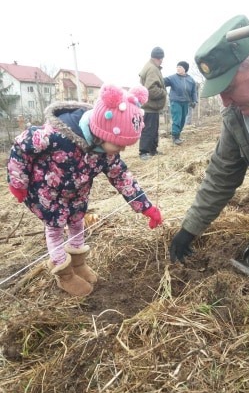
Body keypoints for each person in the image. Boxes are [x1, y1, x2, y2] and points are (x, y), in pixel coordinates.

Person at [170, 15, 249, 315]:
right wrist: (189, 230)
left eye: (229, 88)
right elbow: (221, 174)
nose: (225, 102)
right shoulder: (237, 115)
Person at [7, 84, 163, 297]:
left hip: (77, 195)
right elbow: (20, 147)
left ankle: (79, 265)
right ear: (100, 132)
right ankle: (65, 275)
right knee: (54, 229)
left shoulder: (106, 152)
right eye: (118, 144)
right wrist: (18, 183)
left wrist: (146, 207)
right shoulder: (54, 136)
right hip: (48, 194)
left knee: (78, 223)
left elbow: (122, 177)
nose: (122, 150)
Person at [138, 46, 167, 160]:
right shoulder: (152, 69)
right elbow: (151, 90)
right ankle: (144, 152)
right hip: (149, 106)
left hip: (151, 106)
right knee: (148, 129)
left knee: (153, 129)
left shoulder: (151, 66)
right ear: (159, 58)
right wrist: (164, 92)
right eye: (162, 59)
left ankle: (152, 150)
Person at [164, 61, 198, 145]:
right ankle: (175, 137)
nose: (178, 68)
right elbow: (162, 81)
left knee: (183, 120)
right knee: (177, 119)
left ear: (185, 69)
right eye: (177, 67)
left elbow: (194, 91)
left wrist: (194, 101)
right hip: (176, 101)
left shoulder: (190, 79)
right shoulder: (172, 78)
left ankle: (178, 135)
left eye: (180, 67)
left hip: (186, 102)